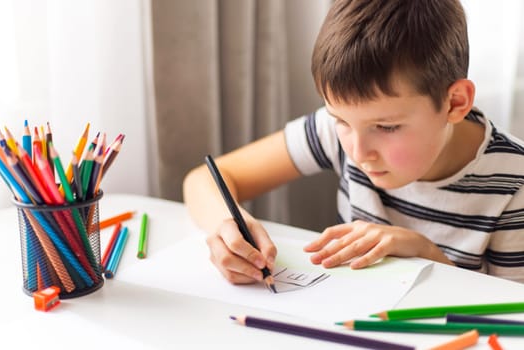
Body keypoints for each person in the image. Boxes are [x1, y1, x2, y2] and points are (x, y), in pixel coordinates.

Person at [183, 0, 524, 285]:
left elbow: (509, 321)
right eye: (341, 120)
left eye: (386, 127)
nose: (359, 154)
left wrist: (426, 255)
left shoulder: (514, 183)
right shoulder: (337, 132)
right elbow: (203, 179)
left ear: (454, 103)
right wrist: (228, 227)